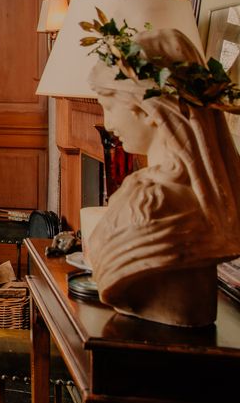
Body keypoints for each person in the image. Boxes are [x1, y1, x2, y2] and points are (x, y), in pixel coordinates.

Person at [87, 27, 240, 326]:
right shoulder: (209, 196)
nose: (107, 123)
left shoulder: (155, 203)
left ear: (147, 111)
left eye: (109, 107)